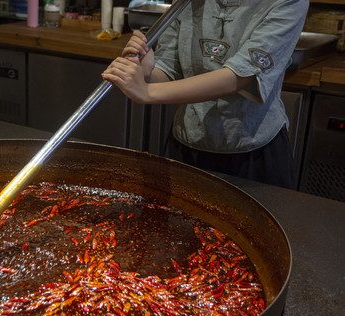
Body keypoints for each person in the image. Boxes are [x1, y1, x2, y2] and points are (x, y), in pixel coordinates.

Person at [101, 0, 309, 189]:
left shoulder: (288, 2)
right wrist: (146, 73)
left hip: (252, 150)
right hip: (187, 144)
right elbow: (170, 67)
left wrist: (147, 91)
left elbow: (239, 76)